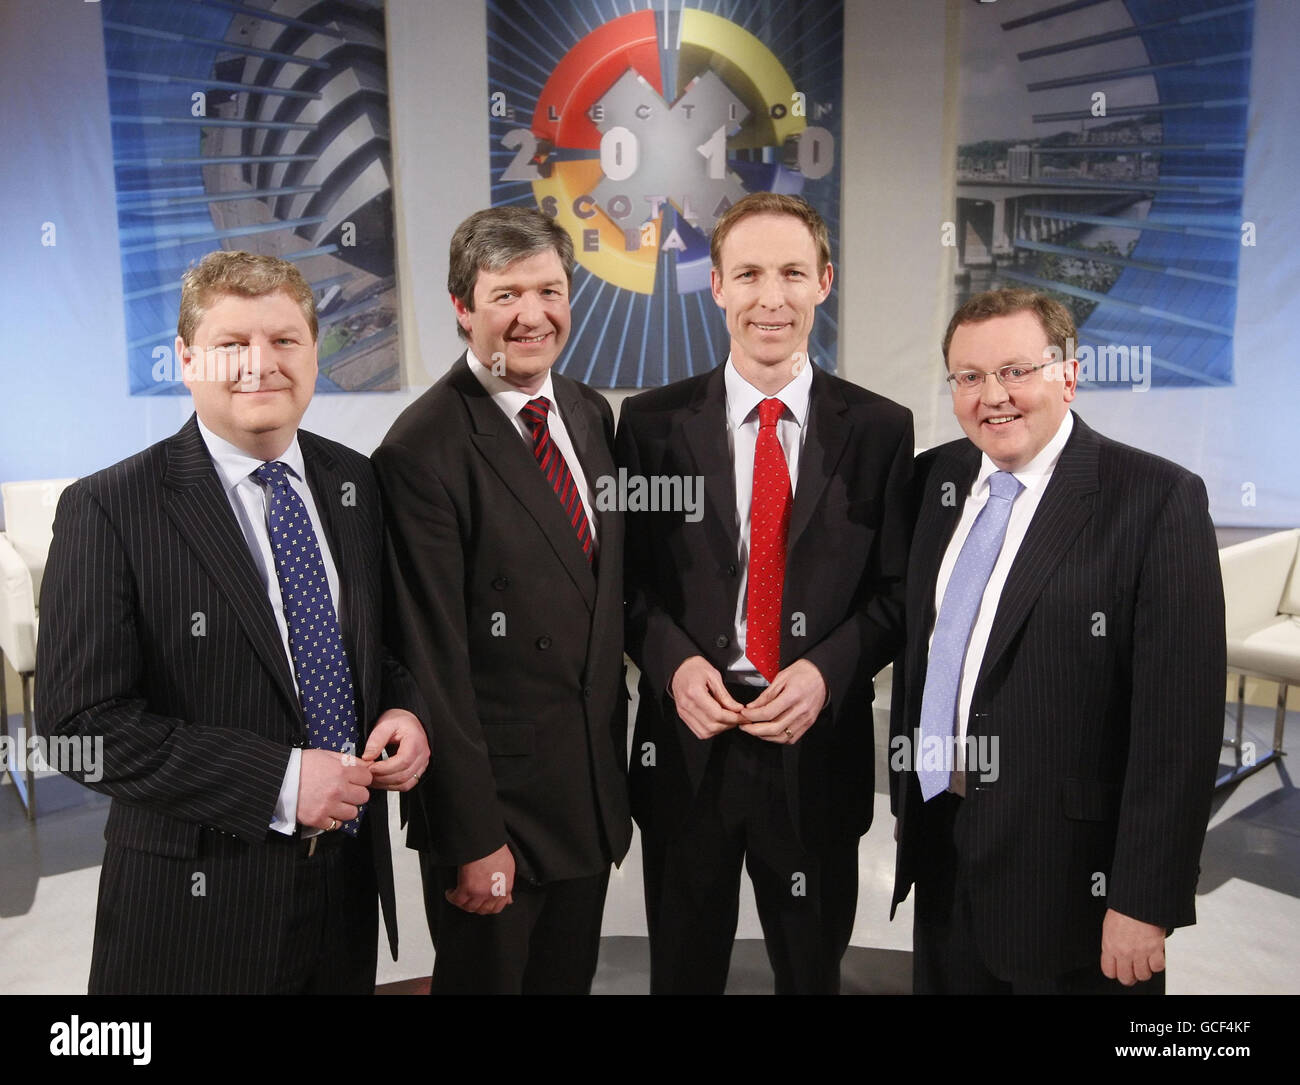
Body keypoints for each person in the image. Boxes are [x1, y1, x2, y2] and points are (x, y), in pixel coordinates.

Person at [36, 250, 429, 995]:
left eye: (284, 340)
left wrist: (405, 707)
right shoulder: (110, 509)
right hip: (199, 914)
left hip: (344, 893)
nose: (262, 364)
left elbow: (373, 649)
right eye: (232, 345)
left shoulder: (354, 481)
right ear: (185, 359)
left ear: (316, 354)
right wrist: (281, 782)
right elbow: (78, 726)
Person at [616, 192, 913, 994]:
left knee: (811, 973)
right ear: (715, 285)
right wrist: (674, 667)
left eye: (791, 273)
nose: (770, 297)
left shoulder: (883, 430)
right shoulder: (647, 425)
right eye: (748, 274)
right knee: (682, 971)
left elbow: (894, 595)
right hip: (687, 751)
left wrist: (825, 674)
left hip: (817, 752)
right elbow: (626, 588)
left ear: (825, 280)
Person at [889, 288, 1225, 994]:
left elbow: (1180, 729)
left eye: (1017, 370)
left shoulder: (1156, 500)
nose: (993, 396)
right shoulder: (934, 479)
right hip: (944, 854)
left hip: (1075, 889)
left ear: (1067, 374)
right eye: (970, 377)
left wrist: (1144, 900)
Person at [373, 206, 630, 994]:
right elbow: (431, 661)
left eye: (549, 290)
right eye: (505, 294)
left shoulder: (589, 413)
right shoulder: (421, 448)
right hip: (497, 820)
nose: (532, 315)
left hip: (585, 799)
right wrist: (473, 838)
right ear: (462, 307)